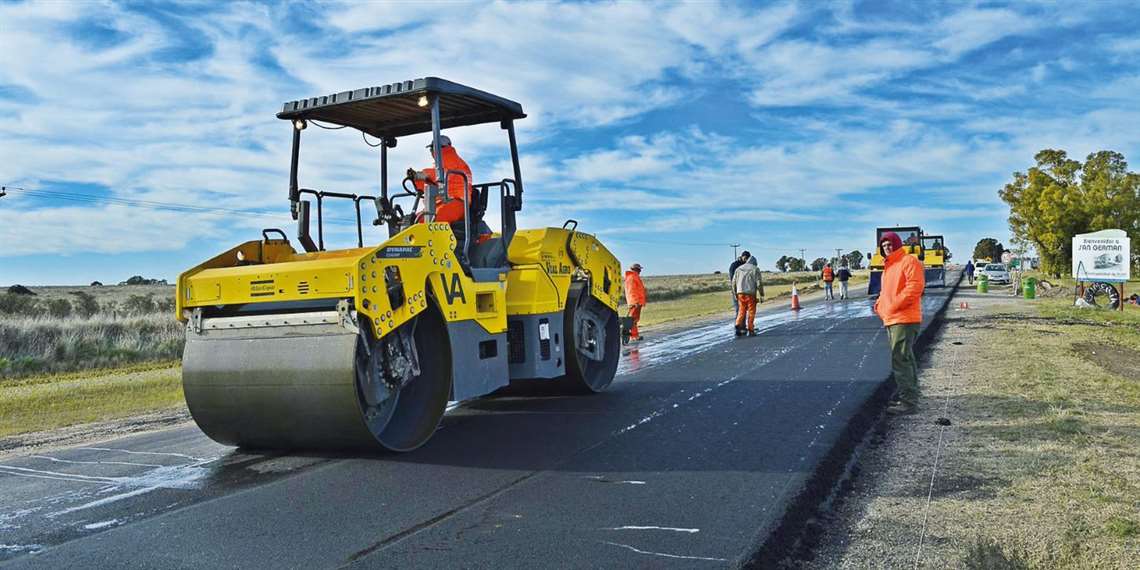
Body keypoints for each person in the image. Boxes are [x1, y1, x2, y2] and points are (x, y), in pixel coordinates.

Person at [873, 231, 926, 415]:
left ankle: (909, 402)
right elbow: (885, 292)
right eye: (884, 245)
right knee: (905, 358)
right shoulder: (888, 267)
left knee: (901, 360)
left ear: (897, 244)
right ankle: (910, 395)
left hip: (904, 318)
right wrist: (880, 307)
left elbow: (914, 287)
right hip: (892, 319)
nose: (887, 247)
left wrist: (893, 306)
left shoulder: (908, 261)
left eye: (890, 244)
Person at [409, 135, 473, 224]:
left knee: (429, 221)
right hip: (443, 202)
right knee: (413, 221)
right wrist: (417, 179)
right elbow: (434, 181)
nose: (431, 151)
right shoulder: (443, 162)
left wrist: (424, 174)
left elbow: (444, 175)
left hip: (456, 201)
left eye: (432, 148)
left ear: (438, 148)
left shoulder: (451, 159)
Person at [732, 256, 763, 336]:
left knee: (741, 310)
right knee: (751, 311)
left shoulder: (738, 269)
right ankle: (751, 329)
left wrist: (735, 293)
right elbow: (759, 283)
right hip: (750, 294)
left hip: (740, 294)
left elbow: (733, 282)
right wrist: (761, 294)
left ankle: (738, 324)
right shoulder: (755, 269)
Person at [624, 263, 647, 342]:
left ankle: (634, 336)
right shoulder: (632, 277)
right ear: (636, 269)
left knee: (634, 319)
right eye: (639, 269)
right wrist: (635, 301)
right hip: (635, 302)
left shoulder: (634, 277)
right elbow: (631, 291)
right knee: (633, 320)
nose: (640, 271)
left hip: (637, 302)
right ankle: (633, 336)